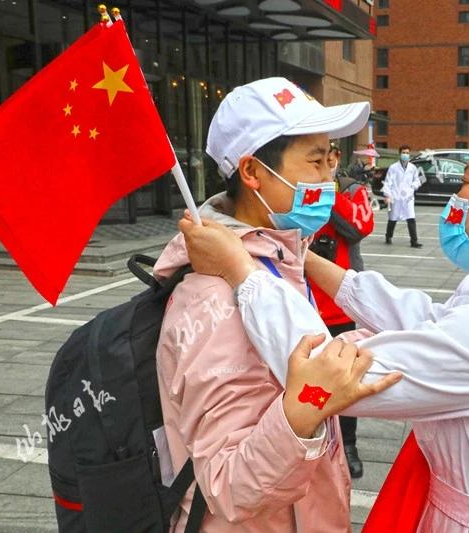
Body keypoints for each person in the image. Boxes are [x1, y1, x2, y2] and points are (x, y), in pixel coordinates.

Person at [180, 119, 469, 532]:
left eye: (467, 182)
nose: (458, 200)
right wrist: (305, 261)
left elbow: (324, 374)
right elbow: (430, 320)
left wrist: (243, 271)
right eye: (314, 161)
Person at [152, 77, 399, 532]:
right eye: (315, 161)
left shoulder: (279, 260)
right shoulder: (212, 298)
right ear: (252, 172)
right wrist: (308, 406)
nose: (328, 179)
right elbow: (229, 485)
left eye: (331, 159)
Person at [309, 141, 375, 478]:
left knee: (346, 376)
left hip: (339, 302)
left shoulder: (350, 189)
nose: (326, 162)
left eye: (330, 156)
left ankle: (348, 443)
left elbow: (360, 227)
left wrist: (328, 191)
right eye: (316, 158)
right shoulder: (293, 188)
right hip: (304, 300)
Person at [382, 145, 422, 247]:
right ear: (400, 154)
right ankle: (388, 236)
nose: (405, 155)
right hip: (396, 197)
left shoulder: (413, 168)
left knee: (411, 218)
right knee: (393, 218)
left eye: (407, 153)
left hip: (408, 197)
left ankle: (414, 241)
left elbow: (417, 180)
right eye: (403, 153)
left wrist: (413, 187)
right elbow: (388, 182)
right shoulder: (393, 167)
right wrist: (387, 195)